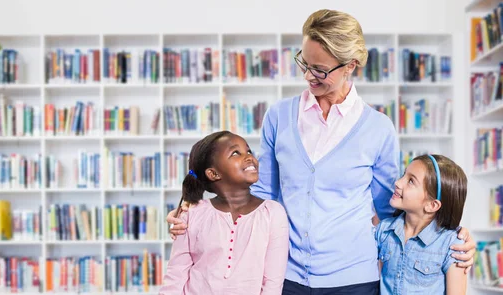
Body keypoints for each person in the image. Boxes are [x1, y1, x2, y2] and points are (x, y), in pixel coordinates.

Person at [166, 8, 476, 295]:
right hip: (287, 274)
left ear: (350, 66)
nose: (308, 75)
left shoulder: (378, 129)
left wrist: (449, 236)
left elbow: (392, 211)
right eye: (304, 62)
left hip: (354, 279)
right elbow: (258, 193)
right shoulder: (279, 116)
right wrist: (195, 216)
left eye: (320, 69)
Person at [160, 131, 289, 295]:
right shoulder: (191, 214)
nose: (249, 157)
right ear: (213, 173)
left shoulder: (272, 213)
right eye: (236, 153)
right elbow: (175, 276)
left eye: (248, 151)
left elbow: (272, 283)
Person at [376, 154, 467, 294]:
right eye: (403, 175)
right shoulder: (383, 231)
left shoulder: (452, 244)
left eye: (411, 181)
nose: (398, 183)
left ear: (432, 205)